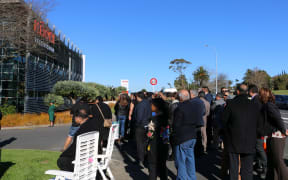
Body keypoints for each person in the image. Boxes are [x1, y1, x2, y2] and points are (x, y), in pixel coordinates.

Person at [222, 84, 260, 180]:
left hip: (233, 139)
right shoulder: (255, 105)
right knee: (248, 169)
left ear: (237, 92)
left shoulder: (230, 104)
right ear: (247, 92)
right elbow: (258, 122)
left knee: (233, 167)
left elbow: (224, 121)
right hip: (250, 139)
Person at [172, 90, 204, 180]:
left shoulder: (179, 108)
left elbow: (176, 125)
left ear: (181, 97)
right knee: (190, 159)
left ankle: (182, 178)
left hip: (182, 137)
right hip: (192, 135)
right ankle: (191, 177)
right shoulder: (194, 106)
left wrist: (174, 137)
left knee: (181, 161)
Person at [259, 88, 288, 180]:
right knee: (272, 162)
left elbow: (277, 119)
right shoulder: (267, 105)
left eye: (260, 94)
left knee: (278, 161)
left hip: (277, 136)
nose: (259, 96)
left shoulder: (268, 106)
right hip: (273, 136)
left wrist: (284, 130)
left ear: (263, 95)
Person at [57, 107, 92, 171]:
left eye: (74, 117)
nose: (74, 119)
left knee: (61, 161)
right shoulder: (91, 126)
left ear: (79, 118)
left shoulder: (81, 131)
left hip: (83, 159)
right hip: (91, 156)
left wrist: (63, 154)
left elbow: (74, 148)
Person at [147, 98, 169, 180]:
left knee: (153, 168)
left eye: (151, 105)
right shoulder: (166, 118)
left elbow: (150, 135)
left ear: (156, 106)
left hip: (154, 146)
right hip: (164, 144)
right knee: (163, 167)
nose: (150, 106)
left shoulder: (153, 119)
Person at [248, 84, 267, 179]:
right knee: (258, 148)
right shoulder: (257, 100)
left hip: (258, 129)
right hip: (259, 129)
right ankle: (259, 165)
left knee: (259, 148)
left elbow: (255, 116)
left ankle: (265, 167)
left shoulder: (255, 101)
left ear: (250, 91)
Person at [134, 91, 152, 165]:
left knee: (139, 143)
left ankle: (141, 159)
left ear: (138, 97)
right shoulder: (148, 103)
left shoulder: (140, 105)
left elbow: (139, 117)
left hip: (141, 126)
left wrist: (137, 124)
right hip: (148, 125)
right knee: (145, 142)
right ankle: (145, 157)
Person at [168, 92, 179, 161]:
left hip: (172, 124)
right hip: (178, 124)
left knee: (172, 141)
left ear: (173, 97)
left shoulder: (172, 105)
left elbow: (170, 116)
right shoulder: (180, 104)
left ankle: (173, 155)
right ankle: (175, 154)